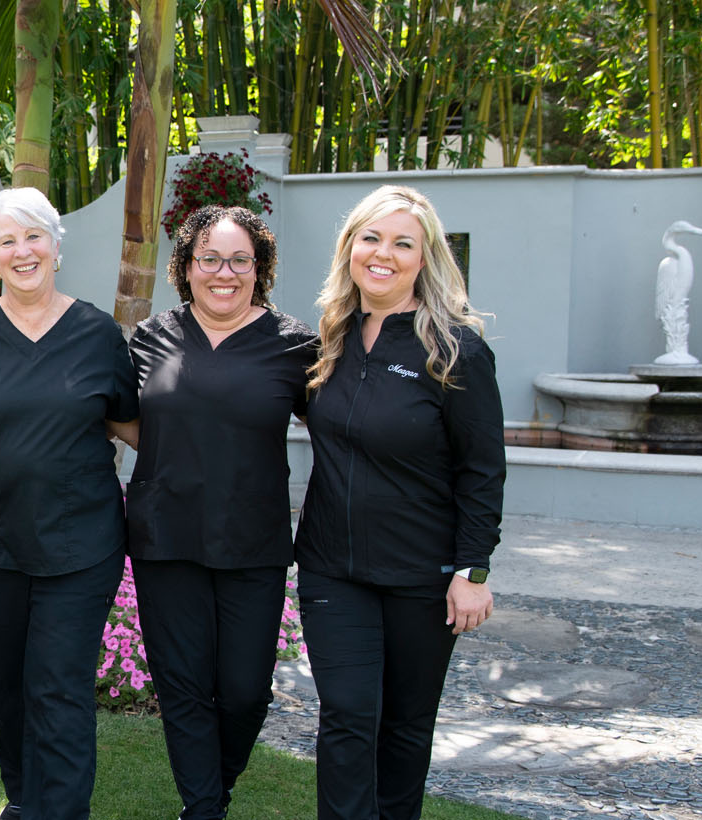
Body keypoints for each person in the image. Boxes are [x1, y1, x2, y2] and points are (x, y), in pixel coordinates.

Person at [295, 184, 504, 820]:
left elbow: (482, 471)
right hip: (333, 568)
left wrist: (473, 570)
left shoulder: (456, 351)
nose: (383, 254)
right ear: (349, 248)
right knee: (347, 715)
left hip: (422, 574)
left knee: (406, 726)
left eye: (402, 244)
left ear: (424, 258)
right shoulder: (330, 339)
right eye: (371, 238)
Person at [112, 205, 316, 820]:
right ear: (186, 266)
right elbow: (116, 413)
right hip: (166, 538)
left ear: (259, 268)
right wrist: (173, 449)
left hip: (253, 542)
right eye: (209, 258)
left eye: (239, 260)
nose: (223, 273)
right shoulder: (152, 337)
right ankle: (203, 809)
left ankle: (212, 792)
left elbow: (339, 425)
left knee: (246, 691)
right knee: (182, 686)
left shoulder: (294, 345)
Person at [0, 187, 138, 820]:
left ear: (56, 246)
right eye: (8, 240)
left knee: (59, 688)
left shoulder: (97, 333)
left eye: (34, 237)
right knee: (9, 687)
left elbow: (131, 423)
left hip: (81, 542)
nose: (23, 251)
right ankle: (25, 802)